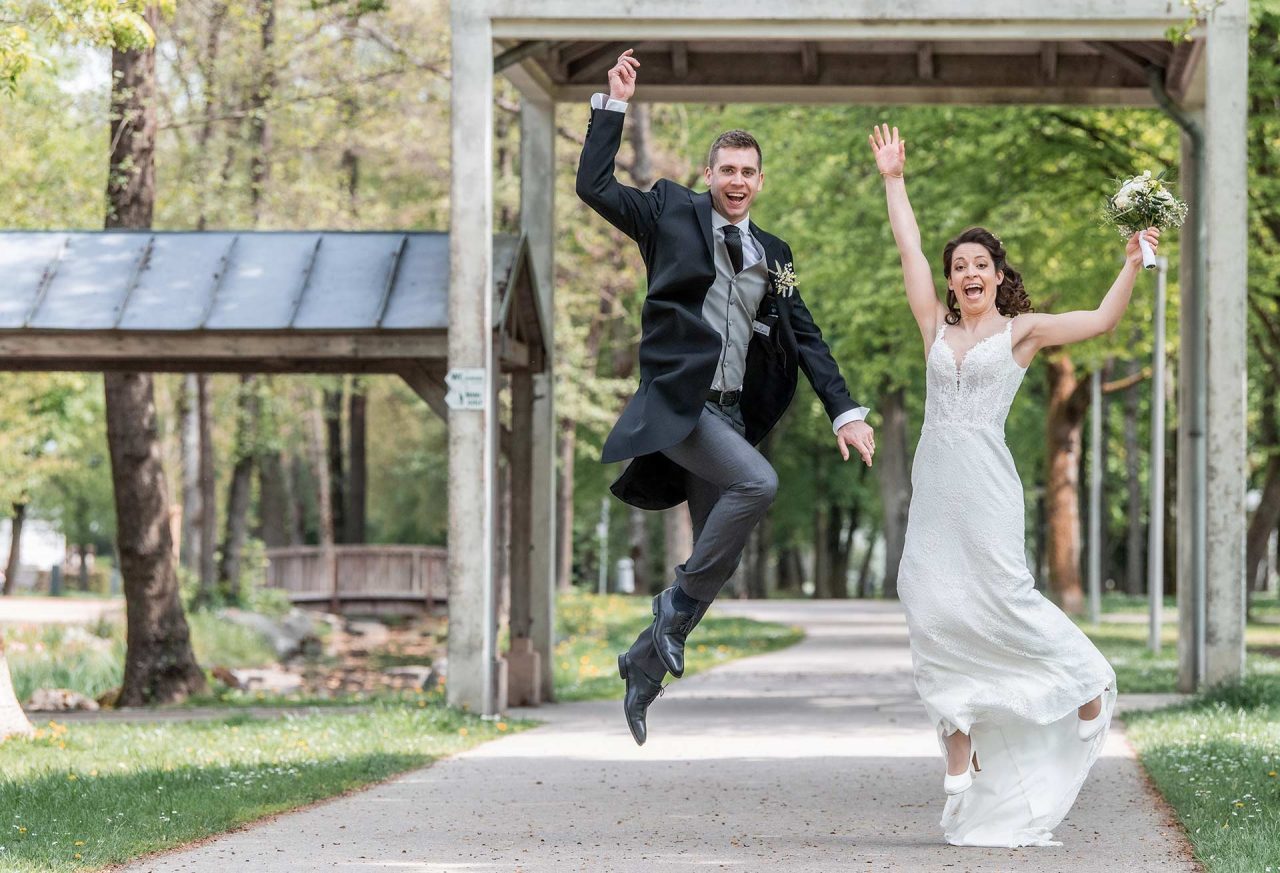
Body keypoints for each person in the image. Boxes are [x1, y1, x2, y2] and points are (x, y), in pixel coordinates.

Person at [868, 123, 1158, 847]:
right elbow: (907, 247)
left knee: (1002, 599)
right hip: (936, 491)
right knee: (927, 597)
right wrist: (893, 180)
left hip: (989, 489)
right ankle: (958, 736)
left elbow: (1097, 319)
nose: (967, 273)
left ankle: (1082, 681)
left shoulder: (1021, 332)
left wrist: (1130, 263)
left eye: (979, 264)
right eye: (958, 264)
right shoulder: (934, 324)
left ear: (997, 275)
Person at [576, 49, 875, 746]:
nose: (736, 181)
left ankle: (642, 662)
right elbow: (594, 186)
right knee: (760, 482)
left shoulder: (776, 252)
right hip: (680, 404)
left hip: (733, 412)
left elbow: (805, 336)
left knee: (721, 551)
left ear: (760, 181)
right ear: (709, 175)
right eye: (726, 170)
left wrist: (845, 410)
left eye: (748, 172)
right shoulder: (669, 213)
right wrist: (614, 106)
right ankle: (670, 609)